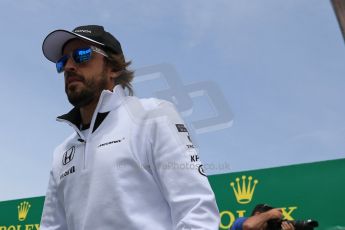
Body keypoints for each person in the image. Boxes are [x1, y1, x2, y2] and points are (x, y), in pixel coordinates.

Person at [39, 25, 220, 230]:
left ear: (113, 68)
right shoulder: (61, 152)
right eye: (62, 62)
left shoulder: (154, 115)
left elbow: (197, 213)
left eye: (81, 55)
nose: (69, 66)